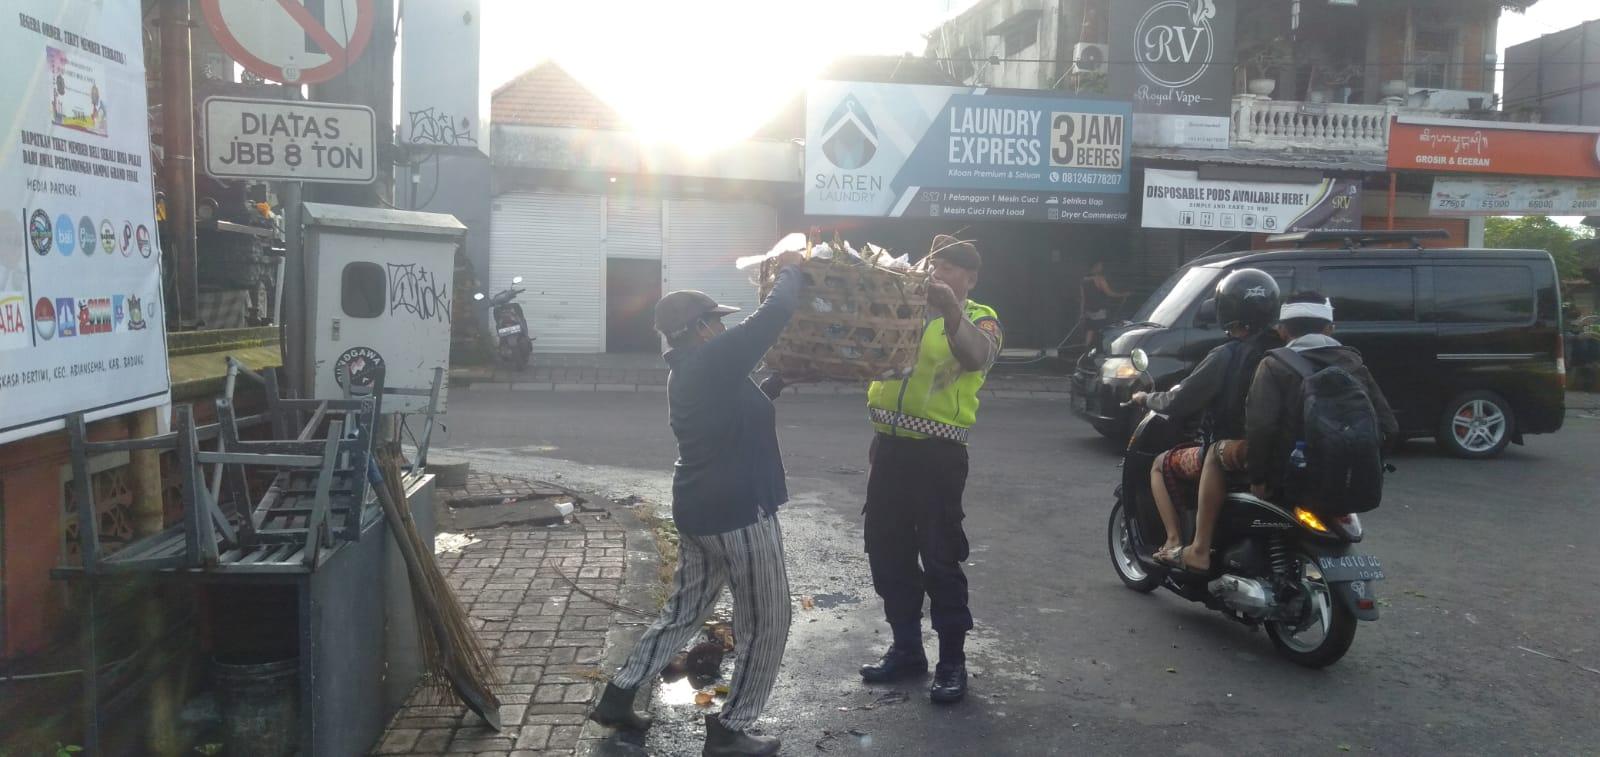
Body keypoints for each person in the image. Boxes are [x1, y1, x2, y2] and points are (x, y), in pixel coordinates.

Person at [588, 248, 805, 757]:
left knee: (684, 611)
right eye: (715, 321)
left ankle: (619, 696)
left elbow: (732, 412)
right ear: (698, 328)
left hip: (700, 511)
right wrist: (792, 269)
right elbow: (773, 314)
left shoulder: (693, 368)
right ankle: (731, 731)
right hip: (738, 513)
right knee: (768, 620)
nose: (721, 327)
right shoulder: (710, 359)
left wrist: (776, 383)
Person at [858, 236, 1002, 705]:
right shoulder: (903, 308)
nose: (937, 272)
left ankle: (952, 662)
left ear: (970, 278)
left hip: (938, 456)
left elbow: (979, 356)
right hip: (889, 448)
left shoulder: (981, 318)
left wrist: (950, 310)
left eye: (950, 267)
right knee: (887, 552)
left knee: (940, 557)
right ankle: (906, 650)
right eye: (933, 264)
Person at [1129, 269, 1280, 575]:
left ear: (1227, 310)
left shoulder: (1226, 355)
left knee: (1160, 464)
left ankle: (1175, 543)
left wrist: (1146, 398)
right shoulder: (1284, 350)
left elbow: (1180, 400)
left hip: (1236, 452)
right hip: (1281, 451)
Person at [1245, 292, 1398, 500]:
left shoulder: (1273, 366)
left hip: (1289, 481)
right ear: (1330, 329)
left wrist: (1257, 479)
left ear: (1282, 330)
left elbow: (1261, 427)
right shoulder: (1354, 365)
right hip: (1348, 481)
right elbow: (1389, 427)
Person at [1081, 260, 1129, 348]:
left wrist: (1082, 313)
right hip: (1100, 311)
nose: (1102, 267)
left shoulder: (1084, 280)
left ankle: (1085, 350)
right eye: (1100, 265)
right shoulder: (1100, 279)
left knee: (1090, 330)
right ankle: (1104, 349)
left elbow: (1083, 298)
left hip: (1088, 311)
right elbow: (1109, 293)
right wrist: (1123, 295)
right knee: (1104, 331)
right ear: (1096, 266)